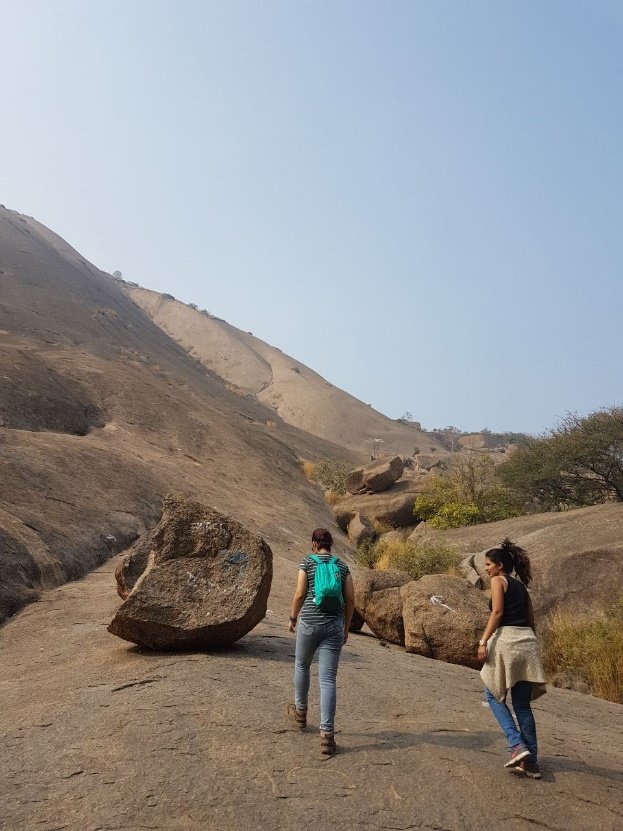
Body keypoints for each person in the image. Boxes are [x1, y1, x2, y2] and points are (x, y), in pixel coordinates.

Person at [479, 538, 547, 779]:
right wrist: (532, 649)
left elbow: (497, 613)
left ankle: (517, 745)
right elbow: (531, 620)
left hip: (507, 642)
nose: (486, 569)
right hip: (528, 643)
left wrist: (483, 641)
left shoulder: (499, 580)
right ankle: (532, 762)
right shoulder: (521, 587)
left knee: (492, 694)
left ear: (499, 565)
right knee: (522, 705)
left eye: (488, 565)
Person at [287, 528, 354, 755]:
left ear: (315, 544)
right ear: (331, 544)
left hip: (309, 623)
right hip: (334, 627)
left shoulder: (307, 562)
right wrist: (345, 628)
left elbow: (299, 594)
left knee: (301, 665)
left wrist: (293, 618)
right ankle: (327, 735)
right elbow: (350, 600)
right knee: (327, 679)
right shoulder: (342, 567)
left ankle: (300, 713)